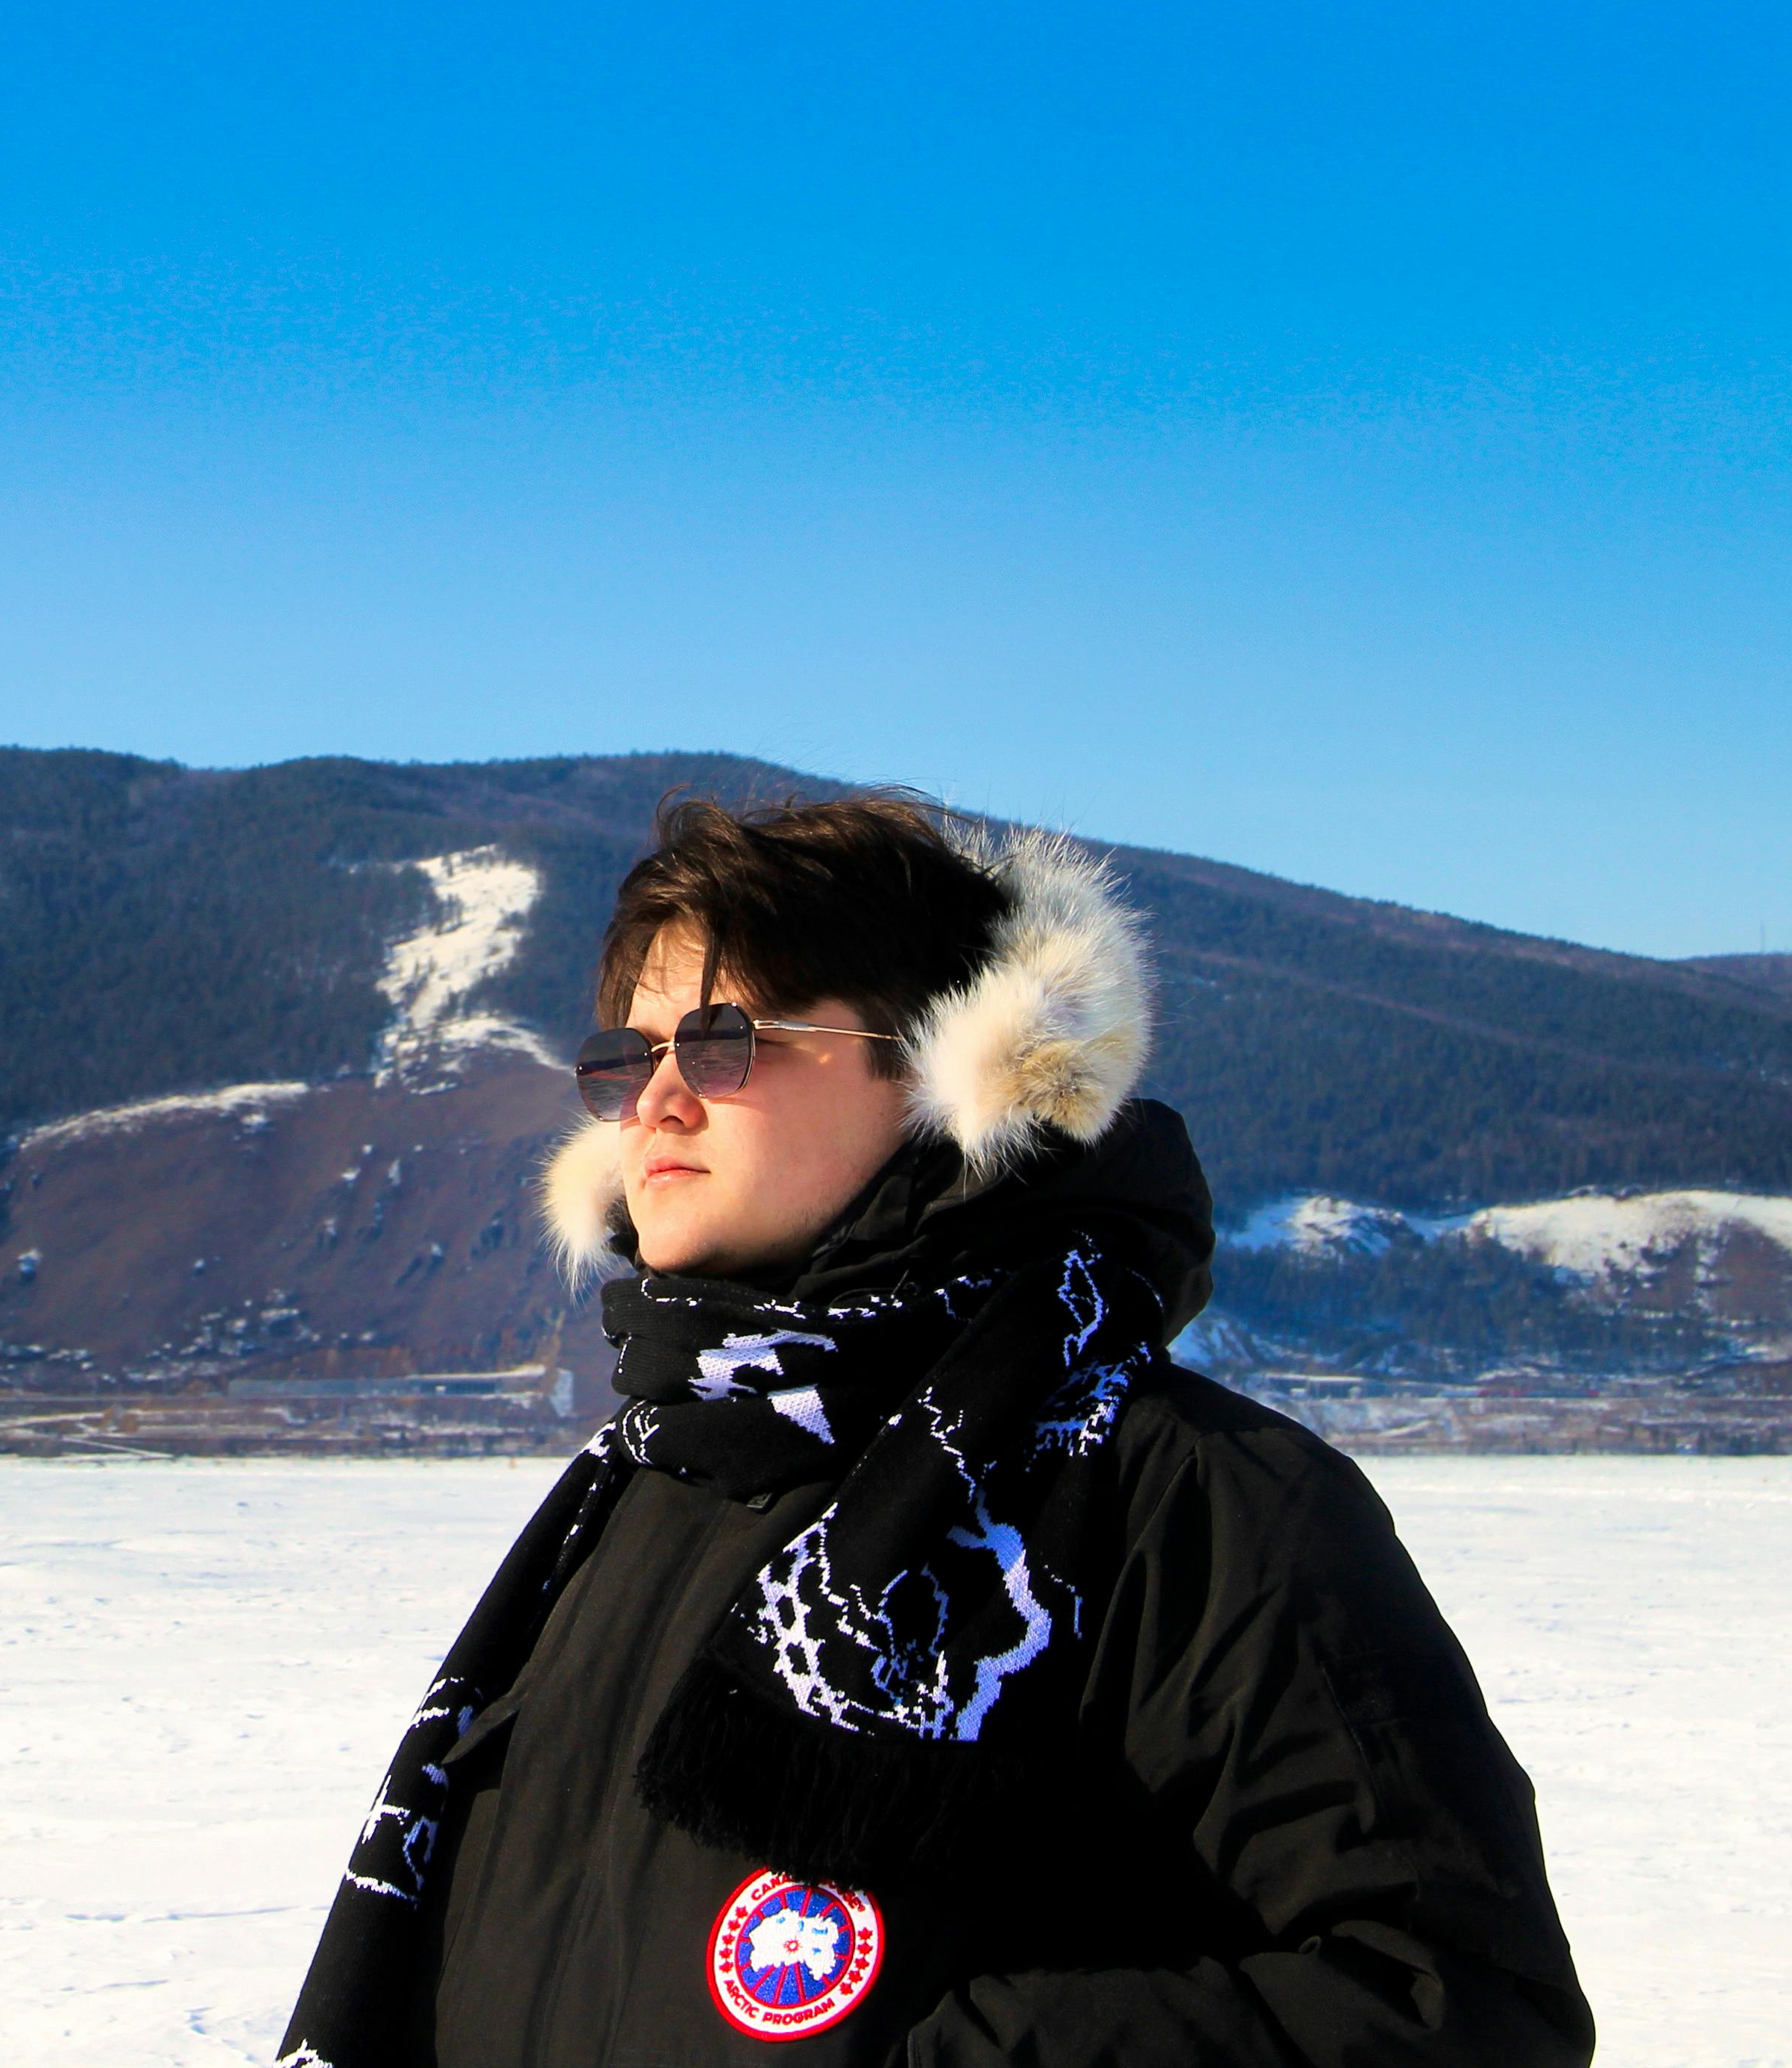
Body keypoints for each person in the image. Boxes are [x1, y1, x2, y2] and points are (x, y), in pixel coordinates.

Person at [280, 793, 1595, 2067]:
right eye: (629, 1058)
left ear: (940, 1074)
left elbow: (1460, 2008)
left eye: (726, 1041)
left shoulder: (1186, 1504)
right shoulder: (632, 1496)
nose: (659, 1102)